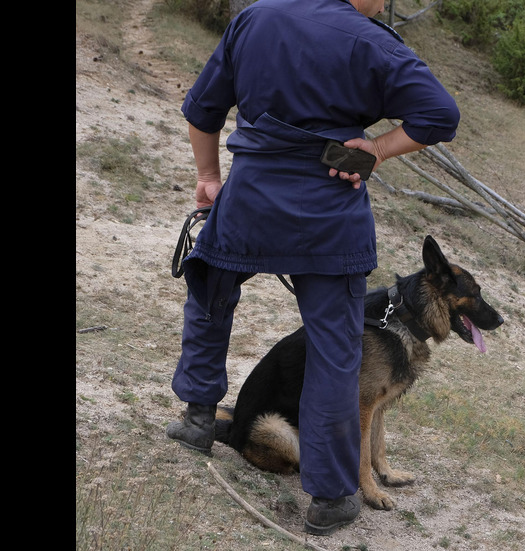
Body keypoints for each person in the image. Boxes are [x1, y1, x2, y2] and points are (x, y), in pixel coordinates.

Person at [165, 0, 460, 536]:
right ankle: (330, 495)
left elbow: (201, 111)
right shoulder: (376, 43)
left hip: (250, 198)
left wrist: (209, 177)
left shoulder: (255, 18)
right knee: (335, 347)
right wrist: (377, 148)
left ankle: (197, 419)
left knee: (210, 297)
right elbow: (441, 115)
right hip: (330, 212)